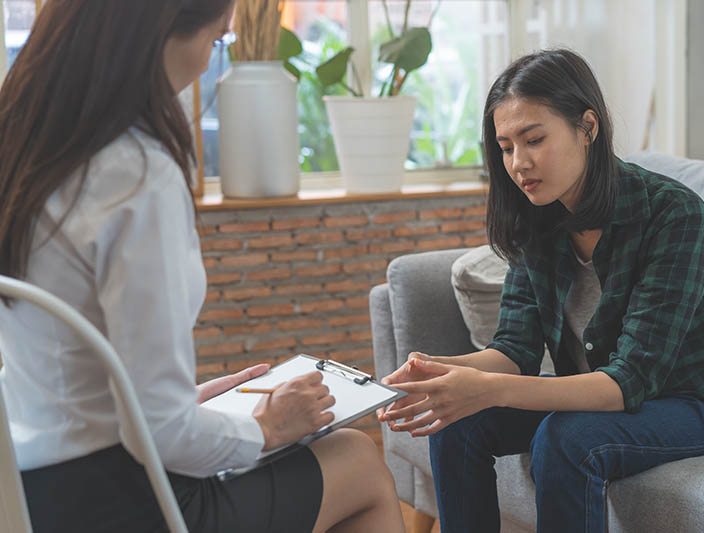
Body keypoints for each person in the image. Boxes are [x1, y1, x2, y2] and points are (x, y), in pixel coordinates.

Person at [0, 2, 403, 532]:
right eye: (216, 41)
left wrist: (193, 404)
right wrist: (267, 428)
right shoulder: (137, 174)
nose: (211, 57)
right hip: (121, 501)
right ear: (161, 32)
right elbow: (160, 434)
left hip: (30, 490)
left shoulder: (24, 155)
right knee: (357, 459)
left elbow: (67, 369)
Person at [378, 49, 704, 533]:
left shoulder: (673, 215)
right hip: (615, 395)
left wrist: (483, 389)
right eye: (505, 147)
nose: (519, 163)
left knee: (566, 436)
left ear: (588, 128)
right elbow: (514, 351)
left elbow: (629, 380)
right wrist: (438, 373)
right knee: (459, 420)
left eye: (534, 139)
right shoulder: (536, 221)